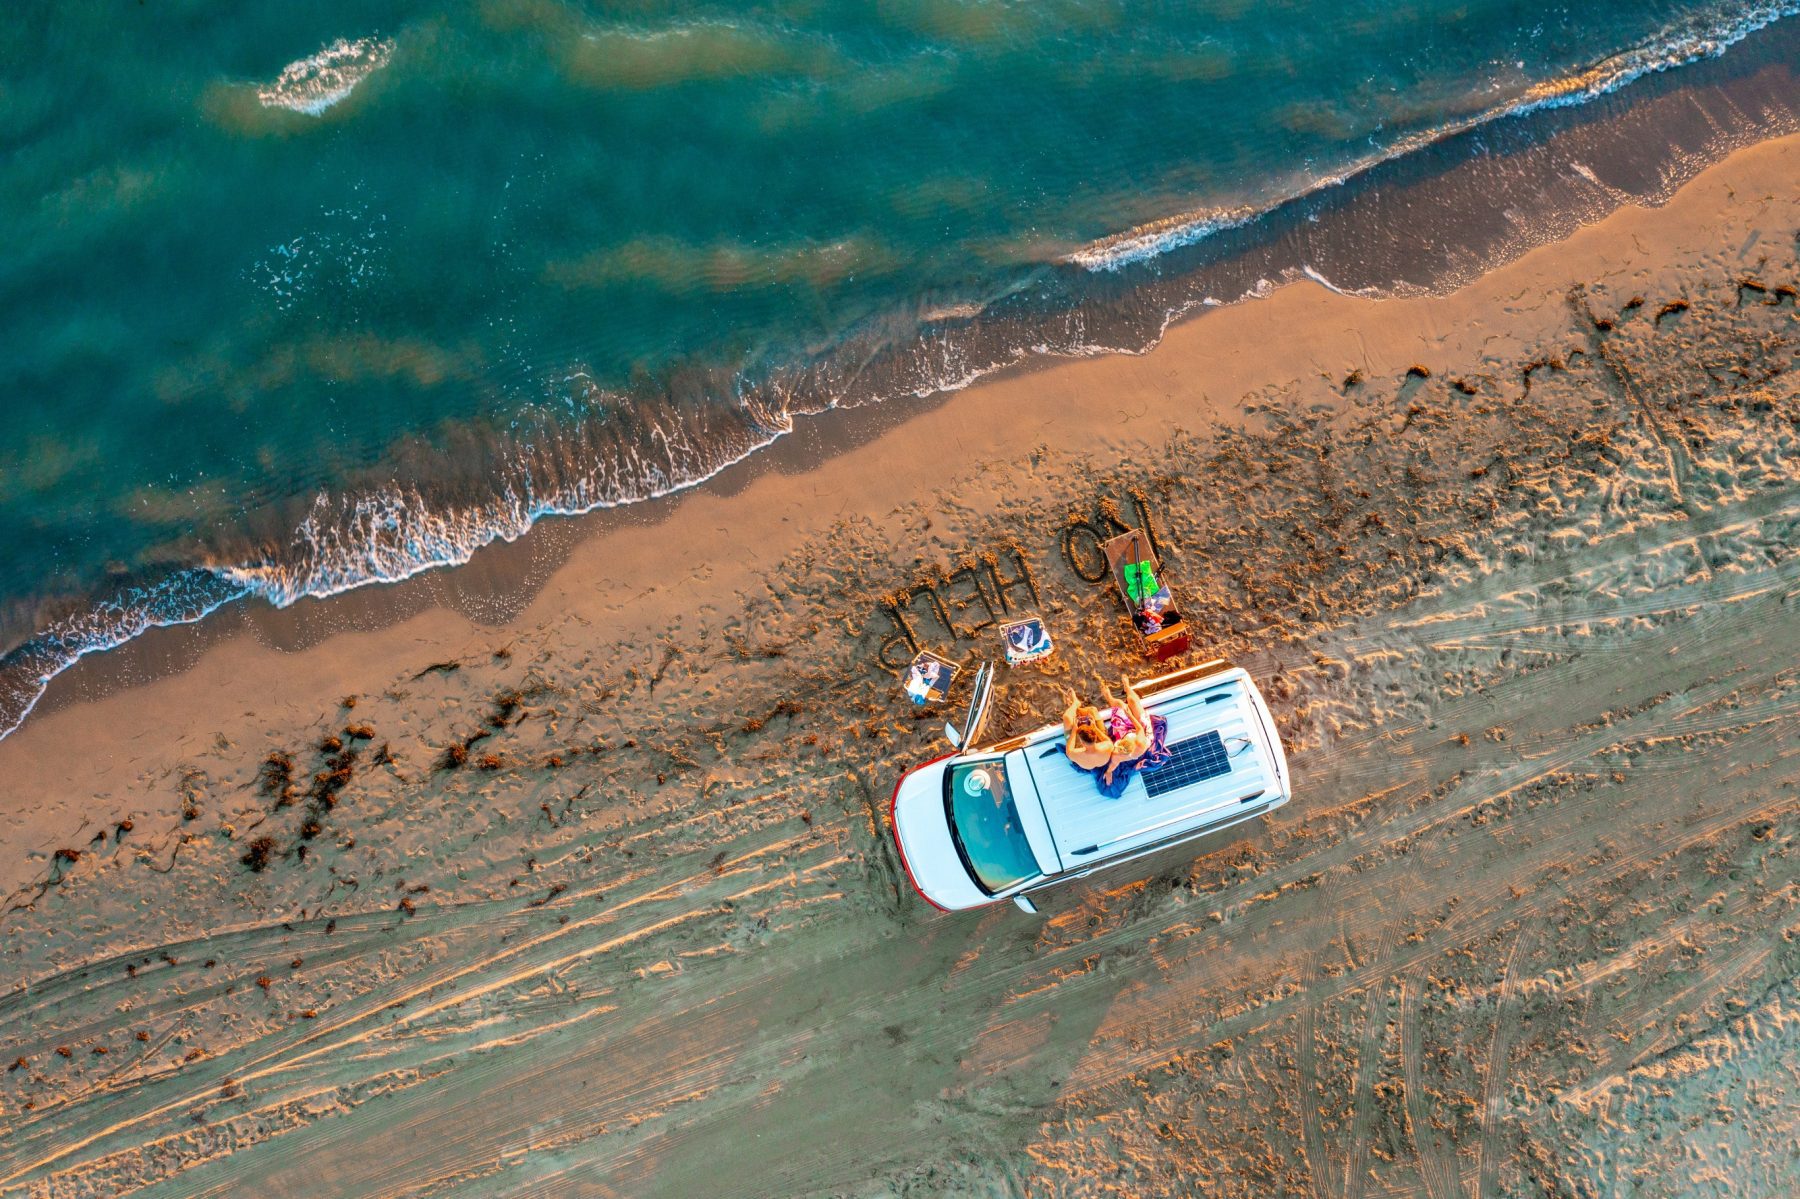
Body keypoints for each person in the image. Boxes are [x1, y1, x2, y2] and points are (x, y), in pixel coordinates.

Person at [1062, 675, 1170, 798]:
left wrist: (1108, 773)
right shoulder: (1132, 743)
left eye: (1118, 745)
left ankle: (1077, 704)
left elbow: (1111, 766)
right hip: (1139, 730)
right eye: (1118, 744)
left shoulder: (1120, 754)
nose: (1116, 745)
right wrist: (1130, 716)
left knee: (1071, 718)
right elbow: (1140, 728)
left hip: (1126, 734)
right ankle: (1126, 688)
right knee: (1130, 703)